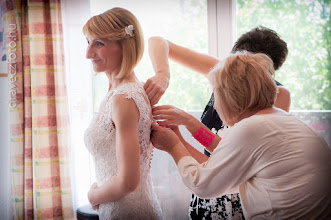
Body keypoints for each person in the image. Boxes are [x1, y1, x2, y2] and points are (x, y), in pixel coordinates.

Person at [150, 51, 331, 219]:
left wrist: (173, 146)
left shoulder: (251, 128)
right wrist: (187, 123)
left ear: (229, 96)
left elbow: (202, 185)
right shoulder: (277, 118)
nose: (214, 104)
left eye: (215, 95)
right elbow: (227, 153)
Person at [147, 26, 290, 219]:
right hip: (204, 189)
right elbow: (158, 41)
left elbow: (231, 158)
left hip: (237, 198)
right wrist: (162, 75)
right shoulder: (224, 71)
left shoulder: (279, 95)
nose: (237, 72)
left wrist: (186, 127)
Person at [83, 7, 163, 219]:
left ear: (124, 46)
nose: (88, 53)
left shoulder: (123, 99)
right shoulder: (122, 91)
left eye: (98, 43)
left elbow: (128, 181)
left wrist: (94, 196)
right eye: (88, 42)